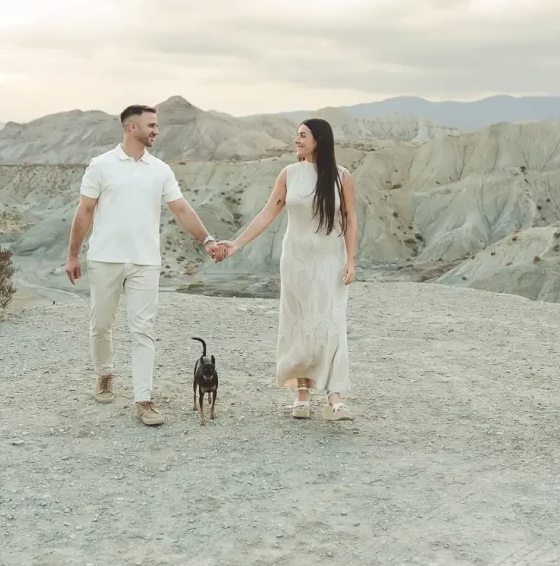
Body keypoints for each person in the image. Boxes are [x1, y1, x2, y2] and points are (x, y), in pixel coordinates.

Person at [65, 104, 222, 426]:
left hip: (145, 262)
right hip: (105, 258)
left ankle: (143, 399)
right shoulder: (101, 166)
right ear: (130, 128)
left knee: (143, 332)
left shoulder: (160, 169)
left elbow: (181, 209)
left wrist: (207, 240)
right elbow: (84, 212)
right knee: (100, 325)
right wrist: (72, 254)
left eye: (157, 125)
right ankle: (105, 375)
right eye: (151, 125)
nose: (156, 131)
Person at [215, 118, 357, 420]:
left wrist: (351, 259)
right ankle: (302, 392)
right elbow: (268, 212)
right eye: (296, 135)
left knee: (331, 324)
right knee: (299, 323)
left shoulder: (341, 177)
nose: (296, 140)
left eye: (302, 135)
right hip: (295, 260)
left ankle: (335, 395)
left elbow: (350, 218)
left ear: (319, 139)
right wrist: (238, 244)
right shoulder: (289, 174)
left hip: (331, 259)